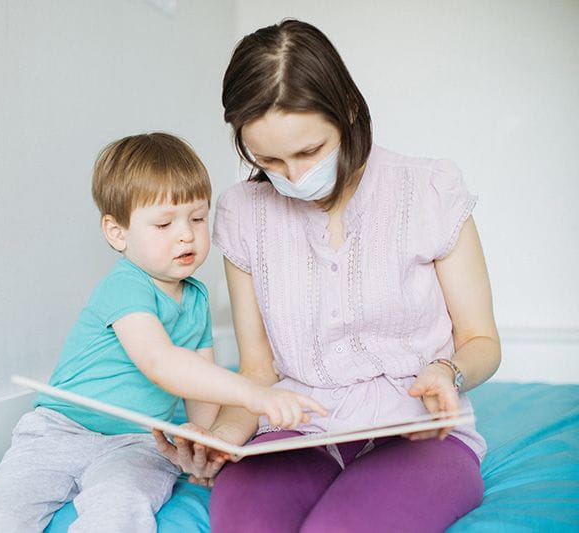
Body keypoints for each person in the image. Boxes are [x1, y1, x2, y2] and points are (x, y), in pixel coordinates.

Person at [153, 20, 501, 532]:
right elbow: (257, 371)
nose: (293, 177)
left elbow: (482, 340)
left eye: (309, 152)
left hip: (416, 430)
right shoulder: (243, 213)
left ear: (349, 112)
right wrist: (220, 437)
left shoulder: (429, 190)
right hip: (297, 427)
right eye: (269, 159)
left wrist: (448, 373)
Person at [0, 132, 326, 533]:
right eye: (163, 224)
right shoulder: (125, 285)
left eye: (197, 218)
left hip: (136, 442)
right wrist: (252, 393)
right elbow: (161, 362)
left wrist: (204, 444)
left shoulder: (196, 298)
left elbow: (199, 389)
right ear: (117, 233)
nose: (186, 234)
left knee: (122, 510)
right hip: (61, 430)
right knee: (3, 516)